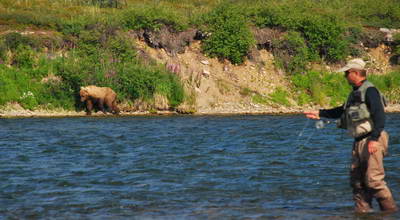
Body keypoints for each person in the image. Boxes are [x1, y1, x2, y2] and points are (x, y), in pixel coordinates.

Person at [304, 58, 397, 213]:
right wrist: (320, 113)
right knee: (357, 182)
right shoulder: (354, 93)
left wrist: (374, 140)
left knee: (374, 181)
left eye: (346, 73)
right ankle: (362, 213)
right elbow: (342, 111)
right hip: (359, 141)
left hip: (372, 139)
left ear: (355, 73)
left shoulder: (370, 91)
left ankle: (390, 213)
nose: (345, 76)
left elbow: (380, 116)